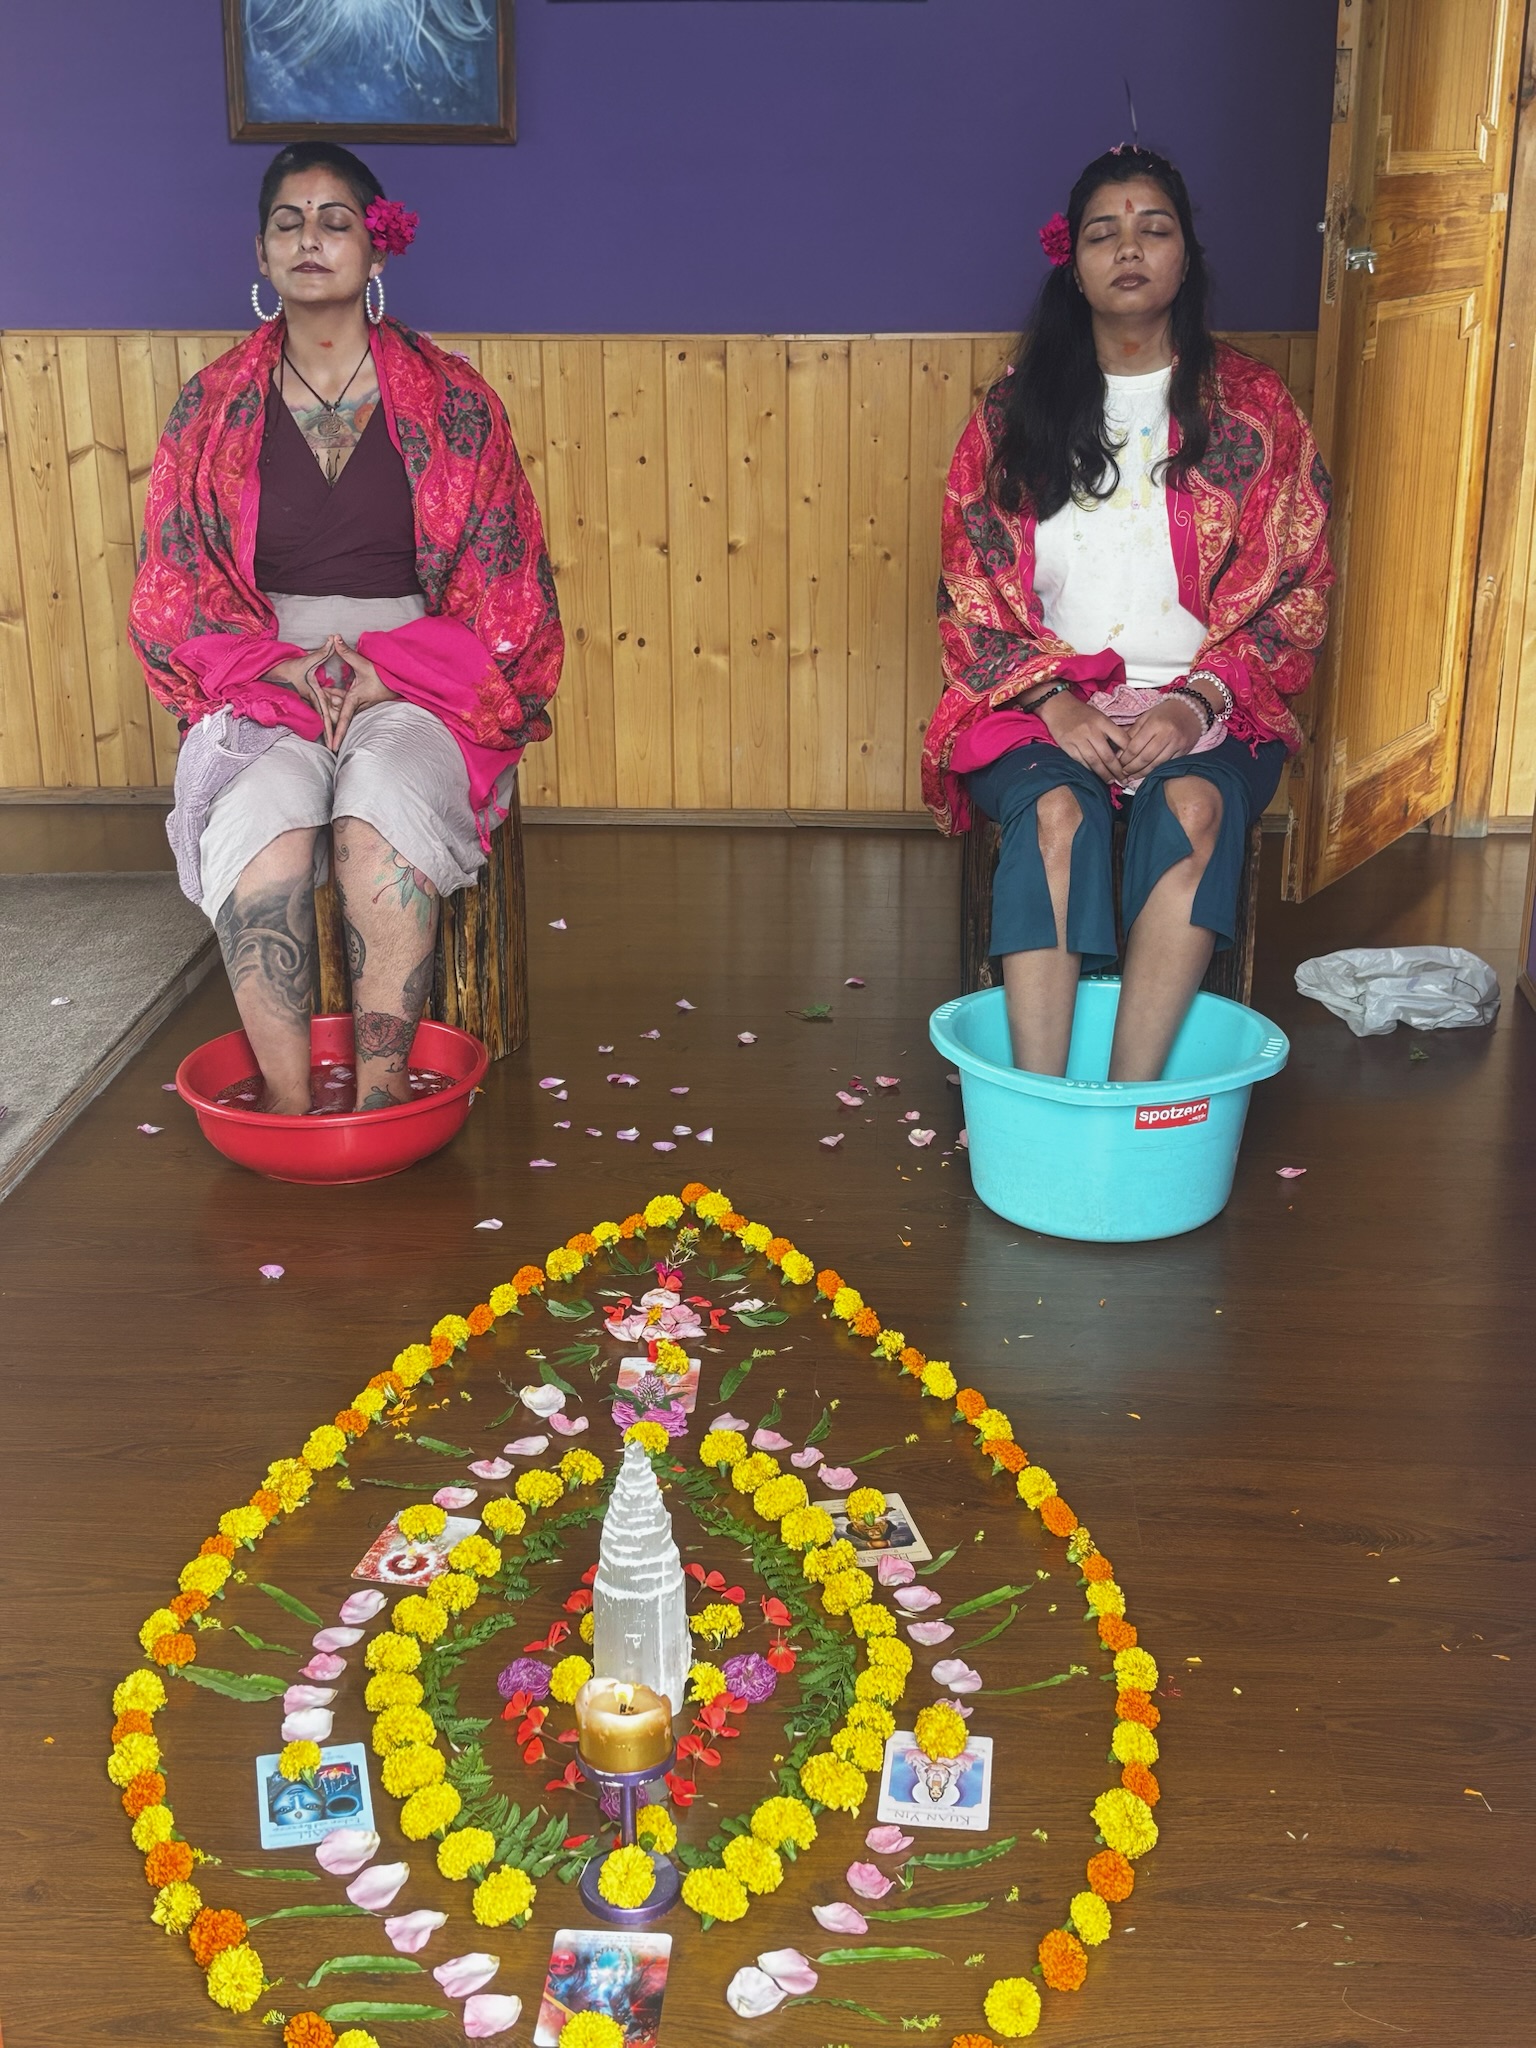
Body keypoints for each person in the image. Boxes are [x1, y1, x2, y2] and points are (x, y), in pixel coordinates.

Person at [129, 141, 561, 1113]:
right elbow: (174, 585)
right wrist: (279, 670)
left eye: (335, 221)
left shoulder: (454, 402)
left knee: (380, 810)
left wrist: (386, 672)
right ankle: (287, 1105)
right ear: (261, 252)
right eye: (288, 222)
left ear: (375, 249)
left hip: (417, 674)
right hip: (264, 673)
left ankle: (380, 1095)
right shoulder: (209, 408)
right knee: (261, 820)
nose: (310, 239)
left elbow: (509, 590)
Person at [922, 147, 1333, 1081]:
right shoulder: (1012, 417)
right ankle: (1039, 1097)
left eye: (1155, 228)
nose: (1130, 249)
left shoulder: (1257, 410)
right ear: (1074, 265)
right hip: (1041, 699)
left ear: (1186, 255)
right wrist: (1054, 701)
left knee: (1191, 805)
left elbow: (1299, 584)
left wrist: (1194, 702)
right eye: (1104, 233)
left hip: (1212, 698)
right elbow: (969, 594)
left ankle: (1130, 1098)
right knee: (1055, 814)